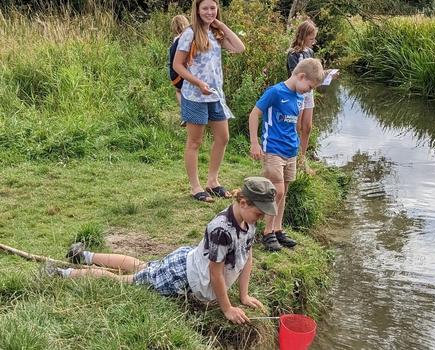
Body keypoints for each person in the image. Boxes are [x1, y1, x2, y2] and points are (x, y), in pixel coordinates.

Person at [39, 177, 278, 324]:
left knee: (142, 266)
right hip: (183, 276)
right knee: (129, 280)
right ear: (243, 203)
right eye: (259, 213)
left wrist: (244, 296)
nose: (261, 219)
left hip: (190, 260)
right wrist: (226, 308)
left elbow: (246, 256)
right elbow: (216, 275)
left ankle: (83, 256)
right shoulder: (221, 230)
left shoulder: (248, 223)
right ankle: (61, 273)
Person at [249, 58, 325, 251]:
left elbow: (295, 126)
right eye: (309, 86)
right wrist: (254, 143)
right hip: (273, 149)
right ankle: (267, 232)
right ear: (301, 76)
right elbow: (254, 114)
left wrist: (300, 154)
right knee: (277, 191)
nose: (309, 91)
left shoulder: (300, 97)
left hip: (290, 151)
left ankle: (277, 228)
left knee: (284, 193)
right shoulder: (275, 92)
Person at [173, 0, 245, 203]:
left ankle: (212, 181)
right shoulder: (189, 34)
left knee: (223, 137)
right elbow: (178, 65)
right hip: (195, 95)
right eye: (205, 8)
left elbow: (240, 48)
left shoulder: (217, 33)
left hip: (216, 95)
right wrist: (198, 83)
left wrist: (220, 24)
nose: (209, 12)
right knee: (195, 141)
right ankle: (195, 187)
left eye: (213, 8)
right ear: (197, 10)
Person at [286, 20, 339, 175]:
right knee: (295, 127)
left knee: (307, 127)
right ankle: (292, 159)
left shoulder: (310, 52)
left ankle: (302, 160)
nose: (313, 42)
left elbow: (314, 73)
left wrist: (327, 74)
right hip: (297, 93)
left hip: (309, 93)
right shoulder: (293, 55)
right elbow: (295, 76)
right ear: (303, 36)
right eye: (311, 39)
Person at [169, 14, 190, 107]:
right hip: (187, 71)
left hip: (177, 75)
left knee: (178, 91)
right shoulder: (189, 37)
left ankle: (185, 110)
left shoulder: (176, 40)